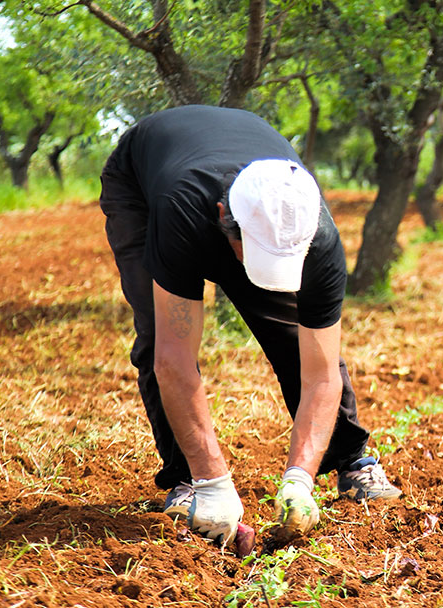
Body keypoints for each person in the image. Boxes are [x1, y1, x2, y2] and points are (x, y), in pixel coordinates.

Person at [99, 105, 400, 548]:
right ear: (224, 219)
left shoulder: (313, 234)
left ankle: (351, 459)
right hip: (145, 186)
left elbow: (320, 373)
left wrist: (300, 478)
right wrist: (213, 478)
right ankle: (190, 482)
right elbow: (174, 360)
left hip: (238, 187)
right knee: (158, 336)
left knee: (293, 334)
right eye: (253, 252)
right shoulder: (182, 212)